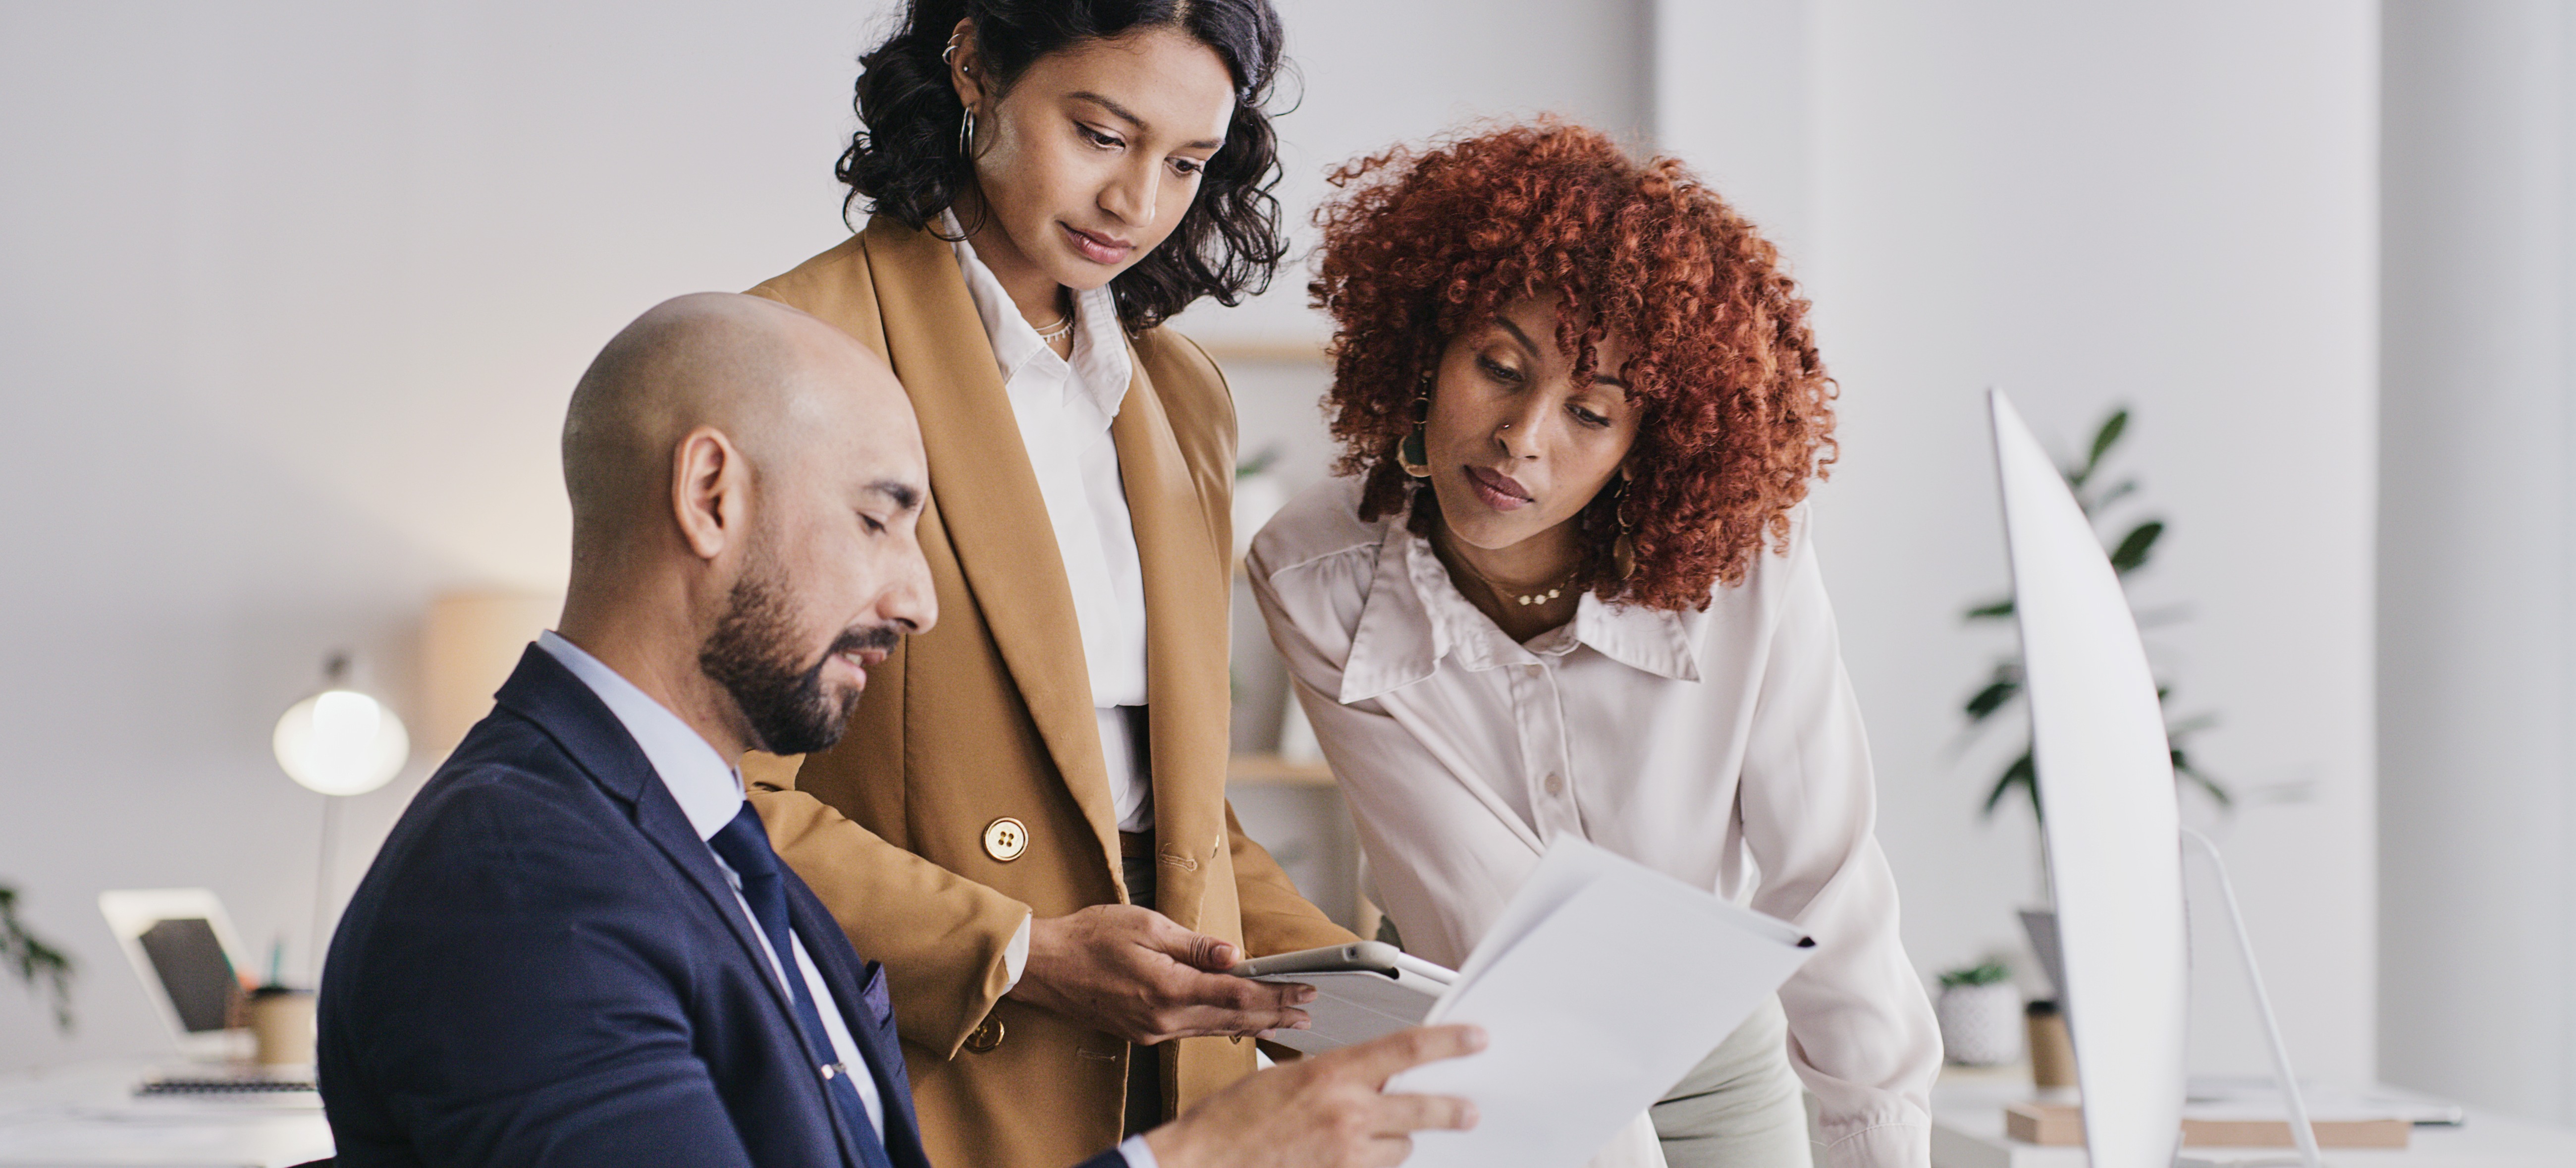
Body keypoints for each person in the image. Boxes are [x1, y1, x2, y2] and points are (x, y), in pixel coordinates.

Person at [316, 293, 1481, 1168]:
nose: (919, 603)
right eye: (881, 522)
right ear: (710, 495)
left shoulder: (702, 841)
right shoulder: (524, 883)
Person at [1246, 123, 1944, 1168]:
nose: (1523, 437)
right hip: (1464, 1042)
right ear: (1426, 347)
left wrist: (1878, 1146)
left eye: (1588, 410)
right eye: (1497, 366)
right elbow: (1472, 905)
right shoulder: (1313, 574)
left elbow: (1825, 881)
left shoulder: (1742, 566)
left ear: (1645, 447)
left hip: (1715, 1064)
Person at [737, 3, 1353, 1166]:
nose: (1137, 204)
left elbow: (1170, 812)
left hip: (1181, 1081)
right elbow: (710, 798)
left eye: (1185, 163)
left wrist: (1361, 988)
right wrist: (1019, 949)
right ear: (972, 64)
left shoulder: (1180, 395)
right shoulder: (795, 351)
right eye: (1100, 134)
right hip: (936, 1062)